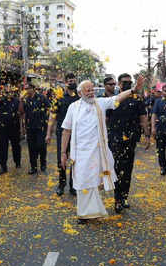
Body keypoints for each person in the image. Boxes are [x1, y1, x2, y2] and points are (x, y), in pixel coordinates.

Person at [60, 77, 145, 224]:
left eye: (92, 89)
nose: (91, 92)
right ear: (80, 93)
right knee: (81, 181)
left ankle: (89, 213)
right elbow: (66, 130)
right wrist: (63, 152)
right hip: (79, 153)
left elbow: (117, 98)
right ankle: (84, 212)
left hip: (96, 152)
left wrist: (133, 90)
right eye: (88, 90)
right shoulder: (73, 108)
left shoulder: (100, 103)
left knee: (92, 181)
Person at [107, 73, 150, 213]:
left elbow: (143, 118)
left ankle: (124, 196)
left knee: (127, 169)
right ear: (119, 84)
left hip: (131, 139)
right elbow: (105, 120)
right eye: (124, 82)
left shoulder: (138, 99)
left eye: (129, 82)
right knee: (117, 168)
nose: (127, 84)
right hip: (115, 139)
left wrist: (147, 135)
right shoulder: (113, 100)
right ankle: (117, 198)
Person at [46, 73, 79, 196]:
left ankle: (73, 185)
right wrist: (48, 133)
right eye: (70, 80)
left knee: (75, 159)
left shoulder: (79, 97)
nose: (72, 82)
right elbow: (52, 116)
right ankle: (61, 184)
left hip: (77, 134)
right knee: (62, 159)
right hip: (62, 134)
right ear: (65, 82)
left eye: (74, 80)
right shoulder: (59, 98)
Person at [20, 79, 50, 174]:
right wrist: (20, 100)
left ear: (33, 88)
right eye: (25, 89)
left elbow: (49, 108)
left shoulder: (42, 97)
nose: (26, 90)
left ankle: (43, 164)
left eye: (27, 88)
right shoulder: (26, 100)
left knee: (41, 146)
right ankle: (33, 167)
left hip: (41, 127)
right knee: (31, 148)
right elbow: (21, 112)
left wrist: (47, 122)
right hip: (30, 127)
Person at [0, 85, 22, 175]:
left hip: (14, 127)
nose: (8, 94)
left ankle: (17, 162)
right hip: (3, 128)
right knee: (3, 147)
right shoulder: (1, 100)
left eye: (10, 92)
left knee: (16, 146)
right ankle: (3, 166)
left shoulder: (17, 101)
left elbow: (20, 112)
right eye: (7, 92)